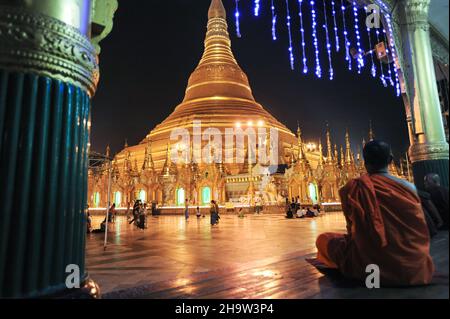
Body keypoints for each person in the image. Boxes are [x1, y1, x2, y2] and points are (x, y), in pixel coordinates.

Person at [316, 140, 434, 286]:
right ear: (390, 161)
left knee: (324, 239)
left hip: (371, 264)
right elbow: (421, 229)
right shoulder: (409, 187)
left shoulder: (354, 188)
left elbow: (352, 230)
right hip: (413, 266)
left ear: (364, 162)